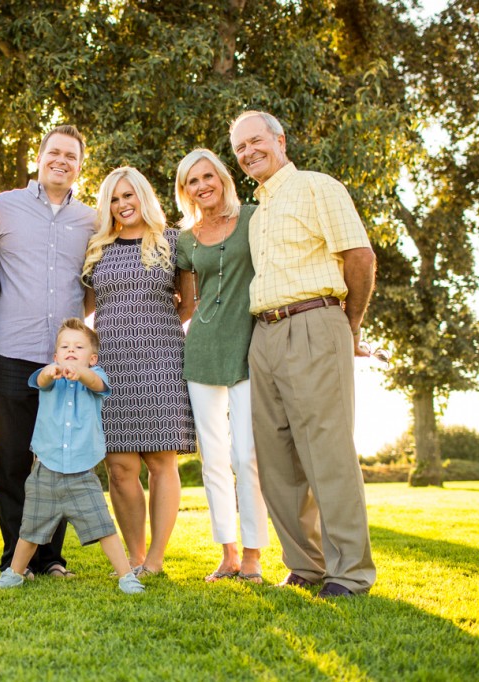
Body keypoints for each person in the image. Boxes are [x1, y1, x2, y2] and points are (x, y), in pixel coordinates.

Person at [229, 110, 377, 598]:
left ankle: (350, 572)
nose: (249, 153)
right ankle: (306, 565)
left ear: (279, 139)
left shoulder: (318, 186)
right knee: (275, 458)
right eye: (240, 149)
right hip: (264, 334)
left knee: (327, 452)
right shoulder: (257, 212)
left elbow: (359, 257)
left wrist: (346, 326)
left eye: (256, 142)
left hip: (316, 321)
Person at [0, 125, 97, 578]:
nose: (62, 161)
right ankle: (14, 557)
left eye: (72, 156)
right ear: (40, 156)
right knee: (10, 463)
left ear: (80, 167)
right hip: (9, 353)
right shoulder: (1, 207)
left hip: (63, 361)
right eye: (55, 153)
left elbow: (91, 286)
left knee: (57, 460)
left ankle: (50, 558)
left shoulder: (90, 220)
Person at [81, 166, 196, 576]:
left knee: (161, 461)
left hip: (161, 360)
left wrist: (155, 330)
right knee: (119, 466)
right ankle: (133, 556)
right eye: (114, 198)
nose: (122, 204)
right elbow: (87, 307)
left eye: (128, 196)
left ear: (143, 197)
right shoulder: (98, 247)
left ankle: (156, 559)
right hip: (111, 364)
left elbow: (188, 305)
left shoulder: (173, 241)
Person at [0, 319, 144, 594]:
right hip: (46, 469)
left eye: (79, 347)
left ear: (92, 357)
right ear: (55, 355)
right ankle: (14, 573)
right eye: (64, 346)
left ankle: (126, 576)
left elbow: (96, 382)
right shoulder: (49, 378)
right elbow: (40, 379)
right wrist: (52, 371)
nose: (70, 350)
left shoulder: (97, 376)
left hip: (82, 472)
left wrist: (80, 373)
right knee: (30, 528)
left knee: (103, 526)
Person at [173, 149, 270, 584]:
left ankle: (253, 555)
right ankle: (228, 554)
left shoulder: (254, 217)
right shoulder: (186, 239)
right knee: (213, 459)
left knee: (246, 455)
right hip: (202, 353)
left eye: (207, 176)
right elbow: (186, 303)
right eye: (192, 181)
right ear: (184, 190)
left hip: (249, 348)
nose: (202, 186)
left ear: (222, 178)